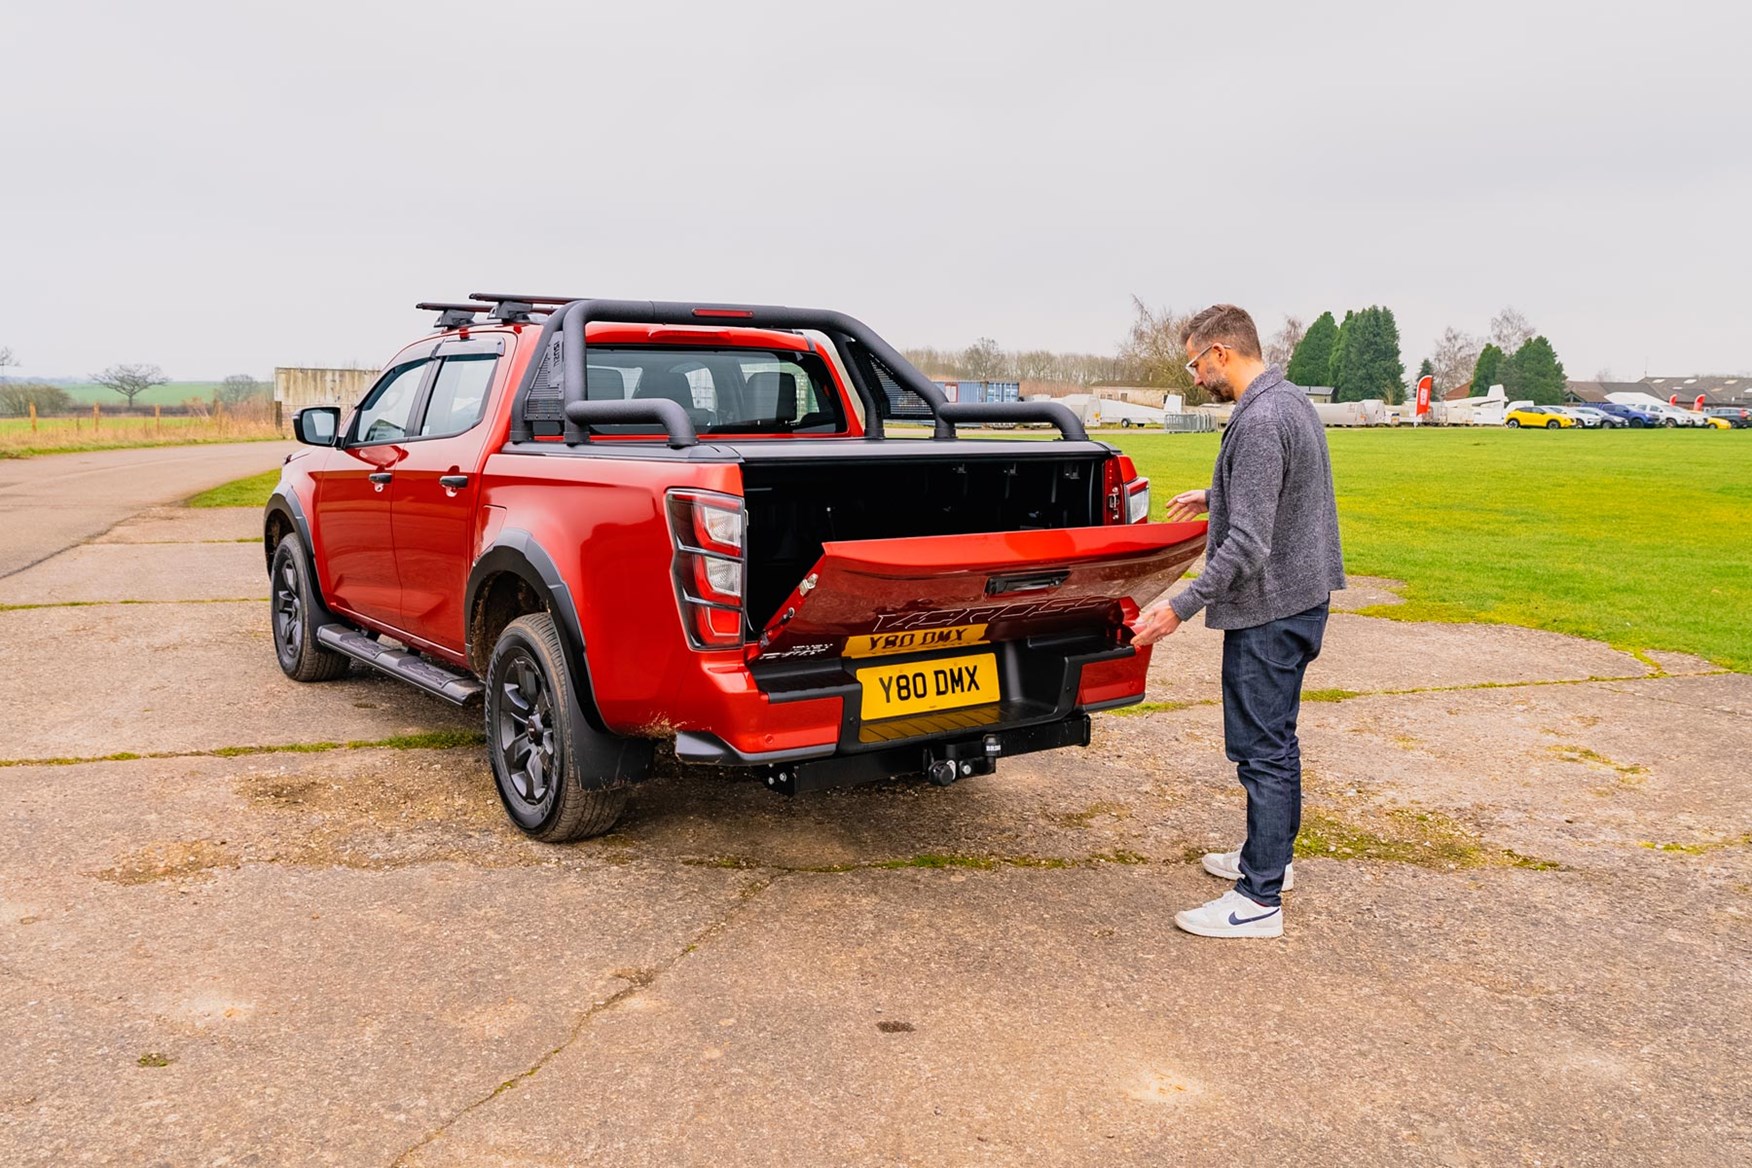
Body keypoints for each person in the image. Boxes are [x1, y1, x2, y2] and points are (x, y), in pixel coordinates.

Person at [1128, 304, 1345, 939]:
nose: (1195, 377)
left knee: (1262, 751)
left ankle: (1258, 901)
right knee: (1277, 742)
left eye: (1196, 362)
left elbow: (1247, 545)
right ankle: (1271, 858)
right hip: (1302, 599)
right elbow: (1282, 486)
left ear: (1222, 352)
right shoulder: (1288, 400)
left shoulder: (1259, 418)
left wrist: (1177, 606)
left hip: (1271, 611)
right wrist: (1215, 492)